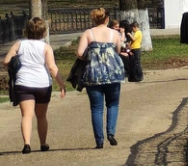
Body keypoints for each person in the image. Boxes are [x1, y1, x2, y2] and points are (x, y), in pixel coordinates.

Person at [4, 17, 65, 154]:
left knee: (27, 115)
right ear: (44, 32)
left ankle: (27, 143)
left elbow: (6, 61)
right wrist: (61, 84)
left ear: (27, 31)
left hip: (23, 82)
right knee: (41, 116)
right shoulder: (46, 47)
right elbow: (52, 67)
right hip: (42, 84)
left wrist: (16, 65)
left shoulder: (19, 45)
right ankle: (43, 143)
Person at [77, 8, 126, 149]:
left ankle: (99, 140)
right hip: (114, 74)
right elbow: (118, 51)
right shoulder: (114, 33)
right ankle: (111, 132)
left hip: (93, 75)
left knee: (96, 108)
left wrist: (91, 54)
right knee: (113, 104)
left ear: (94, 19)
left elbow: (80, 53)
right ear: (107, 19)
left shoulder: (88, 33)